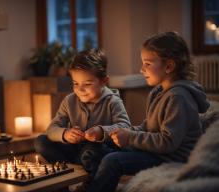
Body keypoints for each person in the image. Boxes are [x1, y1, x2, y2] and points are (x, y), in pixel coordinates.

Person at [85, 31, 210, 192]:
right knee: (97, 148)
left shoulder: (179, 97)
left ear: (169, 66)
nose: (142, 69)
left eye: (147, 63)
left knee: (113, 161)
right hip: (156, 152)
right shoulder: (159, 92)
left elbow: (168, 142)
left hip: (172, 158)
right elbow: (148, 127)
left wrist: (130, 137)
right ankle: (92, 185)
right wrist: (119, 133)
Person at [34, 49, 131, 182]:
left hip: (99, 149)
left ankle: (88, 179)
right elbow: (52, 128)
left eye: (87, 84)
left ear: (104, 81)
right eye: (76, 83)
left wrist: (102, 132)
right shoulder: (69, 101)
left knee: (91, 151)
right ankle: (69, 173)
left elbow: (125, 126)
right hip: (74, 149)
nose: (80, 89)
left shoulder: (113, 101)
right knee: (41, 141)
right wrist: (65, 134)